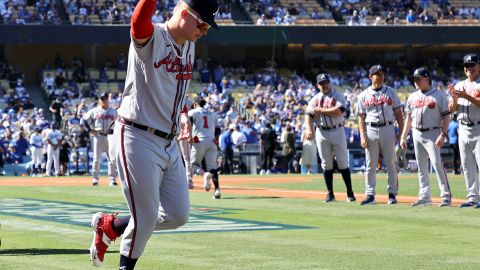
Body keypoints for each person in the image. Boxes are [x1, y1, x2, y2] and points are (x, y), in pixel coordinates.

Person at [88, 0, 219, 269]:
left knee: (176, 215)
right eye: (203, 23)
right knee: (146, 218)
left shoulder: (190, 44)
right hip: (137, 136)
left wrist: (183, 115)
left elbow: (174, 88)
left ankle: (111, 225)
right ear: (184, 13)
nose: (205, 30)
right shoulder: (153, 37)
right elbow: (137, 22)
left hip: (169, 142)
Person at [400, 67, 452, 207]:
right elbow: (408, 119)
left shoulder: (439, 95)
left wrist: (443, 134)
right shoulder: (412, 97)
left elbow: (447, 116)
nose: (415, 81)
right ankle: (424, 196)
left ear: (427, 79)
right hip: (417, 133)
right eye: (414, 78)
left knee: (436, 164)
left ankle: (446, 196)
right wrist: (403, 136)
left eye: (418, 78)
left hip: (433, 132)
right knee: (421, 166)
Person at [357, 65, 404, 205]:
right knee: (370, 163)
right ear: (370, 77)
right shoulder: (363, 95)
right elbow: (361, 117)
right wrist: (362, 135)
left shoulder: (391, 92)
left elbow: (399, 114)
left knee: (391, 163)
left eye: (382, 73)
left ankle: (392, 194)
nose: (381, 76)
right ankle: (370, 194)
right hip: (370, 129)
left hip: (388, 128)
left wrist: (402, 133)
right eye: (377, 74)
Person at [305, 73, 356, 202]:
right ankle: (330, 193)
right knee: (326, 164)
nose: (325, 85)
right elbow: (308, 115)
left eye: (326, 82)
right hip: (321, 132)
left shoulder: (338, 96)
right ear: (317, 85)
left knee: (342, 162)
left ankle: (349, 192)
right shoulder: (314, 99)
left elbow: (339, 111)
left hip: (337, 129)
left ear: (330, 83)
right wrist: (309, 129)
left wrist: (320, 110)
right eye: (322, 83)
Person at [448, 54, 480, 208]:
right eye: (466, 66)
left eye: (472, 65)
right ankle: (473, 197)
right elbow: (451, 109)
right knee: (467, 165)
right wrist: (454, 99)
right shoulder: (459, 85)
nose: (469, 68)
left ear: (479, 66)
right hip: (463, 128)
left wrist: (466, 96)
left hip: (478, 128)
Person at [82, 92, 118, 186]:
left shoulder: (114, 111)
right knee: (96, 159)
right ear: (99, 100)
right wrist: (89, 130)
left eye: (105, 99)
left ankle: (112, 179)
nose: (103, 100)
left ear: (107, 100)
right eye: (102, 99)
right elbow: (84, 120)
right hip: (98, 136)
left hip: (110, 136)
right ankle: (95, 179)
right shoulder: (94, 111)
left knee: (111, 158)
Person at [189, 96, 221, 198]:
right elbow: (218, 129)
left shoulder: (193, 112)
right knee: (213, 168)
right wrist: (216, 138)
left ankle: (204, 174)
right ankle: (217, 190)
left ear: (195, 104)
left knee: (192, 164)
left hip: (198, 140)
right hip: (211, 141)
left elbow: (187, 125)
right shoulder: (212, 113)